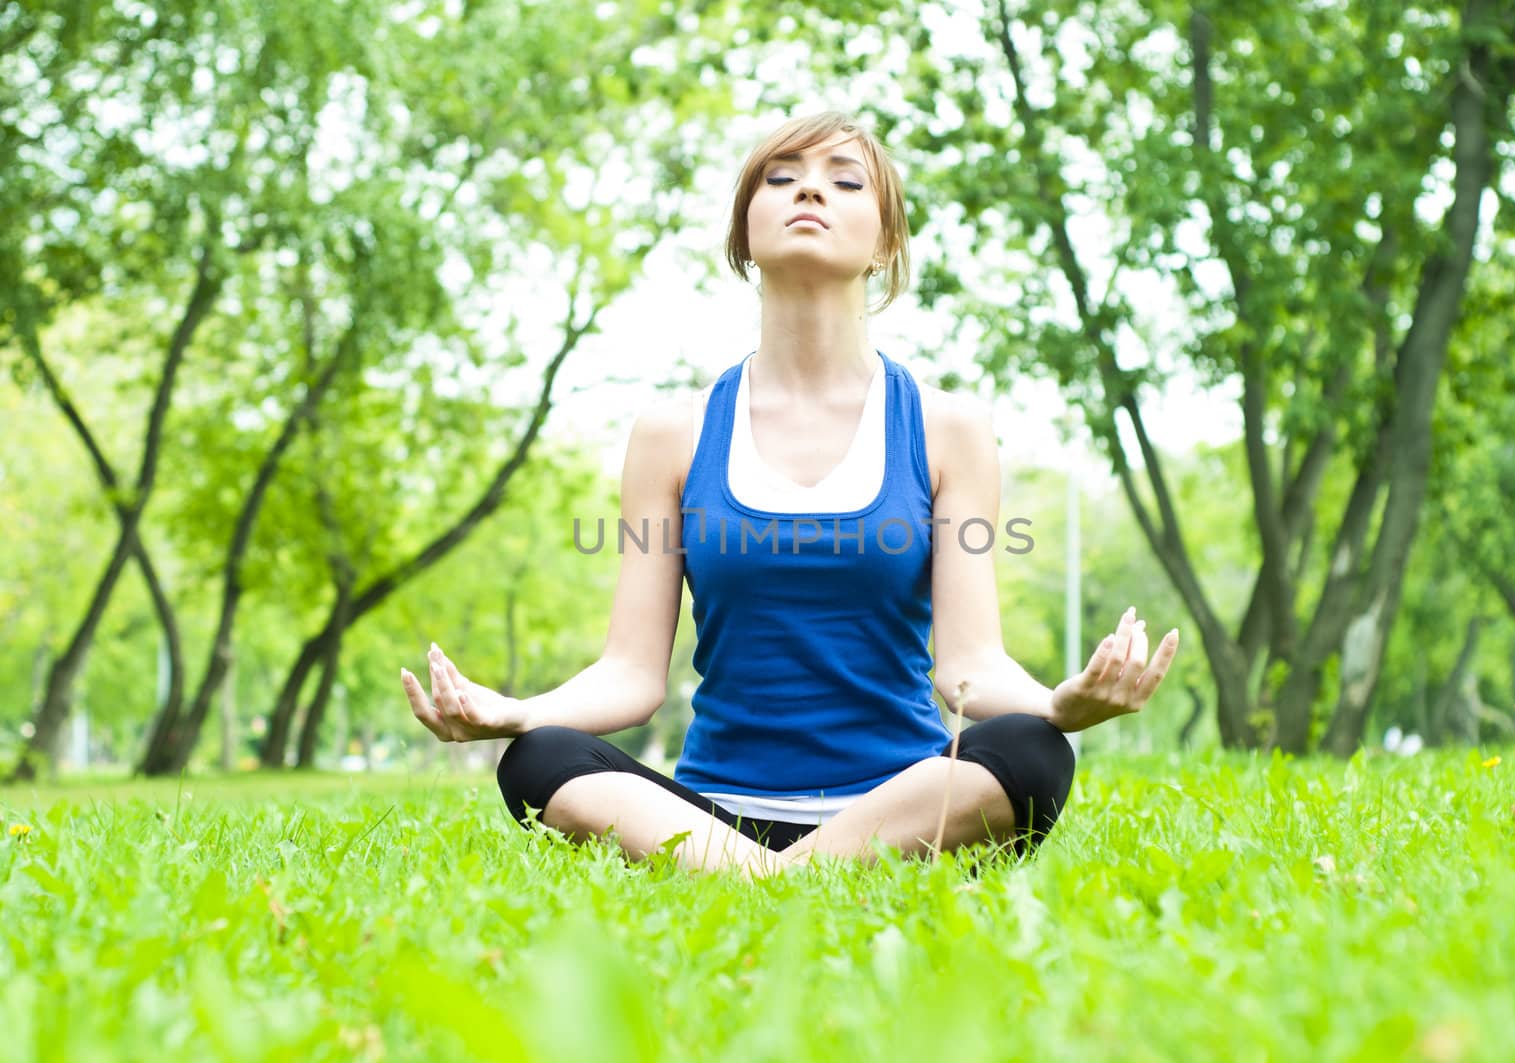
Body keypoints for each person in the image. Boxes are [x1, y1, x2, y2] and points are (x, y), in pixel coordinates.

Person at [400, 111, 1180, 876]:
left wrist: (1060, 705)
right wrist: (516, 714)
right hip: (712, 811)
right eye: (781, 179)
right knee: (539, 759)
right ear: (746, 232)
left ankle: (765, 878)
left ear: (887, 242)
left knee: (1029, 750)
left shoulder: (947, 428)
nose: (810, 192)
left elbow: (968, 666)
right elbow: (632, 674)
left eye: (844, 182)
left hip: (898, 805)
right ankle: (783, 871)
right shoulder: (674, 433)